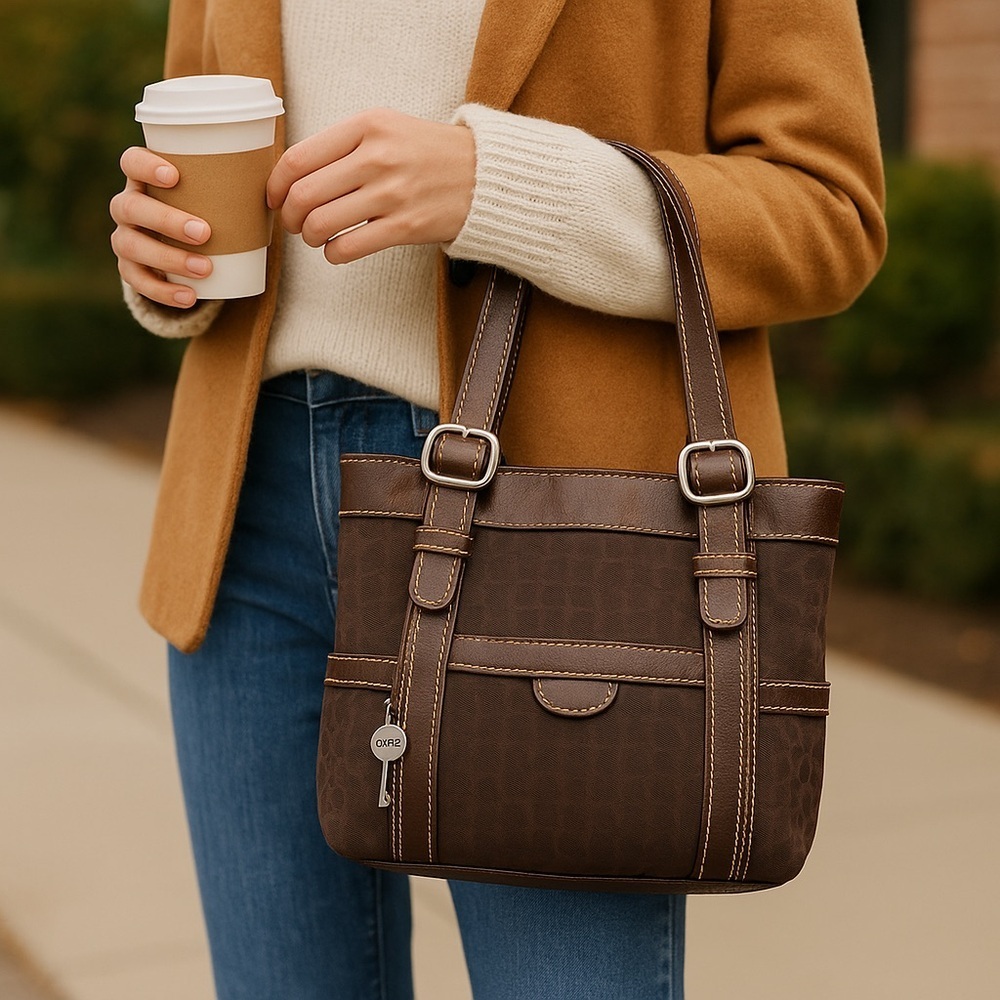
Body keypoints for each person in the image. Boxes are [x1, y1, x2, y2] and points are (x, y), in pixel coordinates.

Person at [109, 1, 886, 997]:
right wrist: (167, 260)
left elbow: (829, 211)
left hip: (558, 536)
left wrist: (503, 183)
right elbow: (200, 140)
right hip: (247, 511)